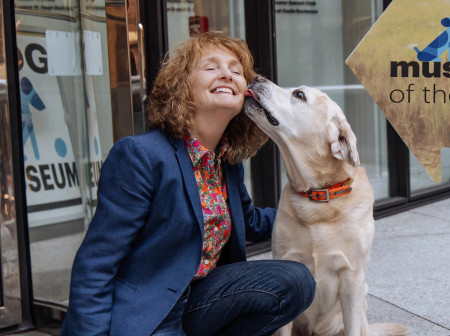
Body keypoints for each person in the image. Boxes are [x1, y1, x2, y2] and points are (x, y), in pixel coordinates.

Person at [60, 31, 315, 336]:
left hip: (201, 302)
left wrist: (318, 211)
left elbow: (248, 222)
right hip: (150, 310)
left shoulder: (225, 161)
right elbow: (96, 263)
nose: (227, 74)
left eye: (236, 71)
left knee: (296, 281)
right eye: (211, 67)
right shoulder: (140, 155)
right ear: (181, 86)